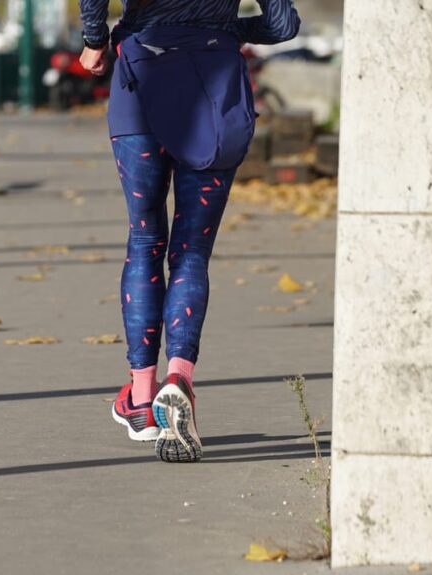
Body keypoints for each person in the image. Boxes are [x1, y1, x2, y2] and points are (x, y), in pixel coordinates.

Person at [79, 0, 300, 462]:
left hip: (142, 75)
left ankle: (142, 397)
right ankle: (179, 378)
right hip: (215, 89)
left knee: (145, 240)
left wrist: (94, 40)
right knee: (192, 251)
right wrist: (220, 26)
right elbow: (282, 25)